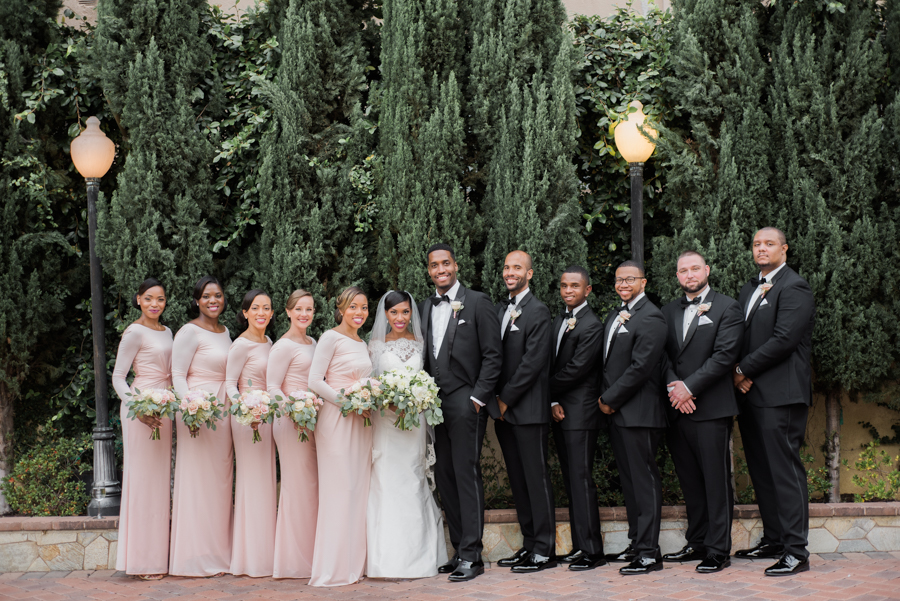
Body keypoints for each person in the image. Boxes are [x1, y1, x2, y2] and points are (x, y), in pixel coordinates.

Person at [733, 228, 815, 576]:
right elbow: (739, 334)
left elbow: (784, 339)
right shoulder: (750, 288)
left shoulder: (794, 286)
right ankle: (775, 539)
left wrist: (742, 368)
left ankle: (796, 550)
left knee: (784, 471)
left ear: (784, 248)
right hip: (751, 394)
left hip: (782, 394)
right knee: (762, 470)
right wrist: (738, 373)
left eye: (768, 243)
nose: (761, 248)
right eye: (756, 244)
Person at [419, 243, 502, 582]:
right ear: (429, 271)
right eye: (435, 265)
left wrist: (478, 398)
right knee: (446, 476)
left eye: (446, 263)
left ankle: (473, 555)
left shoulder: (479, 302)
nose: (441, 269)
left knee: (465, 473)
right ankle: (457, 550)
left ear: (456, 265)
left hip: (465, 401)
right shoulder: (424, 307)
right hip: (433, 404)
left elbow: (494, 355)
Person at [659, 251, 743, 574]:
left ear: (706, 270)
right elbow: (662, 356)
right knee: (690, 481)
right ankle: (696, 542)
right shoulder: (667, 311)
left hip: (710, 408)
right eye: (683, 270)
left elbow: (724, 356)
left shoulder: (727, 307)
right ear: (677, 276)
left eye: (695, 268)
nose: (689, 274)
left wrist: (689, 388)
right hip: (678, 409)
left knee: (715, 481)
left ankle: (718, 549)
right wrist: (672, 387)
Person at [367, 290, 448, 578]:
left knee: (414, 479)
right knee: (387, 480)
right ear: (385, 315)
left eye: (405, 312)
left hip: (414, 425)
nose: (400, 318)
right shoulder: (375, 345)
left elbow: (426, 379)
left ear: (411, 313)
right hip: (386, 424)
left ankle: (421, 556)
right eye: (394, 313)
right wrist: (388, 402)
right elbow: (371, 385)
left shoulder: (421, 344)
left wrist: (418, 398)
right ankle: (385, 558)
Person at [598, 260, 668, 575]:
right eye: (619, 279)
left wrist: (610, 399)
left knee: (644, 481)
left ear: (644, 281)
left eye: (630, 279)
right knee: (629, 482)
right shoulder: (616, 313)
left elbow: (641, 367)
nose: (623, 284)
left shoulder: (651, 316)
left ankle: (650, 553)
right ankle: (637, 541)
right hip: (619, 413)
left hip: (639, 412)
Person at [492, 251, 556, 573]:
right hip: (504, 416)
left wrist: (504, 400)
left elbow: (533, 363)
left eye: (517, 267)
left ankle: (544, 550)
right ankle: (529, 544)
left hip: (527, 411)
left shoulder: (538, 311)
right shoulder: (501, 309)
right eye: (506, 267)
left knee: (536, 479)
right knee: (518, 481)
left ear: (530, 274)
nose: (510, 272)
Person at [307, 287, 373, 587]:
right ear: (340, 308)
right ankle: (332, 568)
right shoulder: (330, 337)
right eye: (353, 307)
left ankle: (353, 564)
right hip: (336, 419)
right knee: (339, 489)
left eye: (364, 307)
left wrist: (367, 399)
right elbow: (314, 381)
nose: (359, 312)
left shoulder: (362, 342)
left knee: (357, 489)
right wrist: (346, 401)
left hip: (361, 422)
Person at [169, 276, 234, 577]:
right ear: (196, 300)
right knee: (197, 482)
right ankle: (193, 558)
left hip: (224, 413)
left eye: (218, 295)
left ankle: (218, 553)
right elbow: (178, 375)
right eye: (206, 296)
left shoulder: (226, 331)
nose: (213, 300)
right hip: (198, 411)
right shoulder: (188, 332)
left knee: (220, 483)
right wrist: (191, 408)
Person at [112, 278, 173, 580]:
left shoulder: (169, 332)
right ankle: (140, 561)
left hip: (164, 408)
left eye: (160, 299)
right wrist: (140, 409)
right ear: (138, 300)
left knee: (159, 484)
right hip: (140, 410)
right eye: (149, 298)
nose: (154, 304)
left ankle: (157, 558)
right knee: (143, 482)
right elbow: (119, 378)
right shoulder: (134, 332)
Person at [549, 266, 606, 571]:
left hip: (581, 414)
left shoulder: (592, 325)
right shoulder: (560, 318)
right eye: (564, 286)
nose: (568, 290)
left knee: (582, 480)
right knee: (571, 482)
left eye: (575, 286)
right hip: (561, 409)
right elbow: (553, 361)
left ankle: (593, 551)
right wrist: (553, 400)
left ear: (588, 290)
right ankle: (579, 545)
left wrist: (541, 389)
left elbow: (577, 369)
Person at [266, 290, 318, 579]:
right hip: (290, 423)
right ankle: (293, 561)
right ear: (288, 311)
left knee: (311, 488)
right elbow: (272, 387)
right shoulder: (283, 347)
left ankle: (311, 555)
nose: (304, 314)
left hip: (311, 422)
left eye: (309, 309)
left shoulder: (313, 342)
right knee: (296, 488)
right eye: (299, 308)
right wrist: (293, 411)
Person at [225, 290, 275, 577]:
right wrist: (245, 408)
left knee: (265, 482)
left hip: (267, 417)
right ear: (245, 312)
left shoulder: (269, 342)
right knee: (251, 481)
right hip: (246, 419)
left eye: (266, 308)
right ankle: (249, 558)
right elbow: (230, 384)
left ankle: (265, 554)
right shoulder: (240, 345)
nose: (261, 313)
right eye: (255, 308)